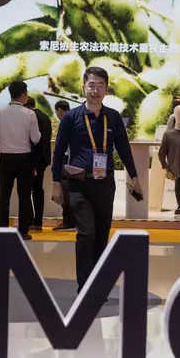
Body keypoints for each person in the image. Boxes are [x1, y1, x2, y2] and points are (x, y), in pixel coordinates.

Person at [52, 67, 143, 292]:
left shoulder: (112, 117)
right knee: (86, 233)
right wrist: (56, 184)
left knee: (102, 236)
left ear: (106, 88)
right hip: (78, 184)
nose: (95, 90)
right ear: (83, 87)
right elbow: (59, 150)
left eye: (100, 85)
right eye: (91, 85)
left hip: (105, 185)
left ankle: (98, 285)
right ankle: (84, 286)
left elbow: (123, 149)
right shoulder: (72, 117)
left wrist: (134, 177)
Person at [0, 81, 41, 240]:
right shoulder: (30, 114)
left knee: (4, 195)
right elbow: (35, 138)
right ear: (23, 94)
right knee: (24, 196)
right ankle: (23, 231)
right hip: (24, 158)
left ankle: (2, 230)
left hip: (5, 159)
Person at [24, 97, 53, 232]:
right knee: (38, 190)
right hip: (44, 158)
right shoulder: (45, 116)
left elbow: (35, 141)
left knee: (26, 190)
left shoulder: (32, 117)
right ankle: (38, 222)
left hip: (33, 159)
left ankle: (30, 221)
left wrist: (33, 164)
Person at [52, 100, 76, 232]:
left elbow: (60, 148)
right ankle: (70, 220)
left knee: (65, 192)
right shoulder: (75, 118)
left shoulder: (66, 121)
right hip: (73, 160)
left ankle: (69, 221)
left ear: (59, 110)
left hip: (67, 160)